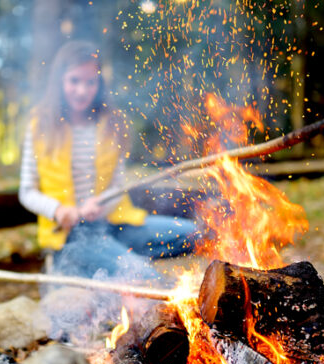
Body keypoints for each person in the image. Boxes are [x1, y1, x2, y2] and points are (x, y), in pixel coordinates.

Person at [19, 40, 199, 284]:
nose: (82, 90)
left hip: (117, 224)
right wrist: (58, 210)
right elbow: (27, 191)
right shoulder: (40, 124)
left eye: (90, 82)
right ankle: (104, 262)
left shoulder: (114, 123)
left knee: (197, 234)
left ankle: (115, 258)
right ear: (60, 81)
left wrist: (102, 207)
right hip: (72, 236)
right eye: (74, 80)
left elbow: (117, 184)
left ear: (99, 83)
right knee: (144, 276)